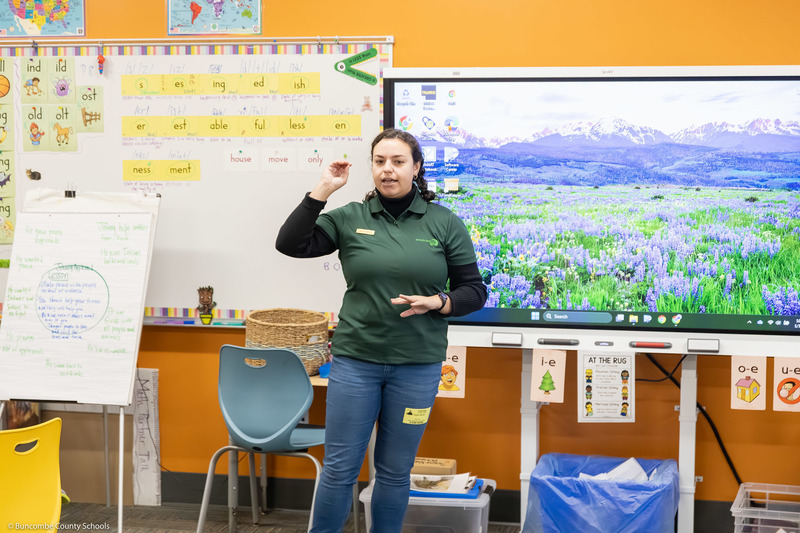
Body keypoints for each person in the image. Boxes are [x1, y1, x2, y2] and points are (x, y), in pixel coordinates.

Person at [276, 128, 487, 532]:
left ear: (416, 167)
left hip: (418, 366)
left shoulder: (444, 222)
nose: (387, 170)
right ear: (371, 168)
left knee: (394, 470)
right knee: (340, 468)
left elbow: (473, 291)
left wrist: (439, 302)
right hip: (356, 363)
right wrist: (323, 188)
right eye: (379, 162)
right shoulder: (348, 217)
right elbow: (290, 244)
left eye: (398, 161)